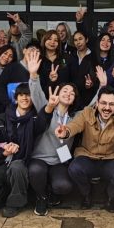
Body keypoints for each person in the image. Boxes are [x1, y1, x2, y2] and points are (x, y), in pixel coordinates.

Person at [54, 85, 114, 211]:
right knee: (75, 168)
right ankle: (86, 194)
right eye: (103, 103)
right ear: (97, 103)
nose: (107, 108)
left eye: (111, 104)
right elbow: (75, 125)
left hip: (112, 159)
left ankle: (110, 198)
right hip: (88, 157)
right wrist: (66, 131)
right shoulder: (86, 113)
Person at [0, 83, 49, 217]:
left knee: (17, 167)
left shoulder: (35, 119)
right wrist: (3, 151)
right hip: (0, 162)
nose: (25, 98)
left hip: (21, 162)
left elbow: (44, 120)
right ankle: (6, 197)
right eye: (21, 95)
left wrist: (50, 107)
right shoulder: (2, 118)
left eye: (28, 95)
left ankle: (15, 204)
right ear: (15, 98)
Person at [28, 51, 78, 216]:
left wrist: (101, 86)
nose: (68, 94)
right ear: (57, 93)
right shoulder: (47, 106)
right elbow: (36, 93)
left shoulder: (76, 117)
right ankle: (41, 197)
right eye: (65, 91)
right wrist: (33, 74)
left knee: (63, 186)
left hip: (59, 161)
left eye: (72, 93)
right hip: (39, 158)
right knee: (36, 171)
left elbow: (94, 106)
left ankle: (51, 190)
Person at [68, 30, 98, 109]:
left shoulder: (94, 57)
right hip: (71, 99)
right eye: (75, 40)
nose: (78, 42)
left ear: (86, 39)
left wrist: (91, 84)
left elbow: (97, 78)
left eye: (80, 39)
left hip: (89, 100)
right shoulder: (71, 56)